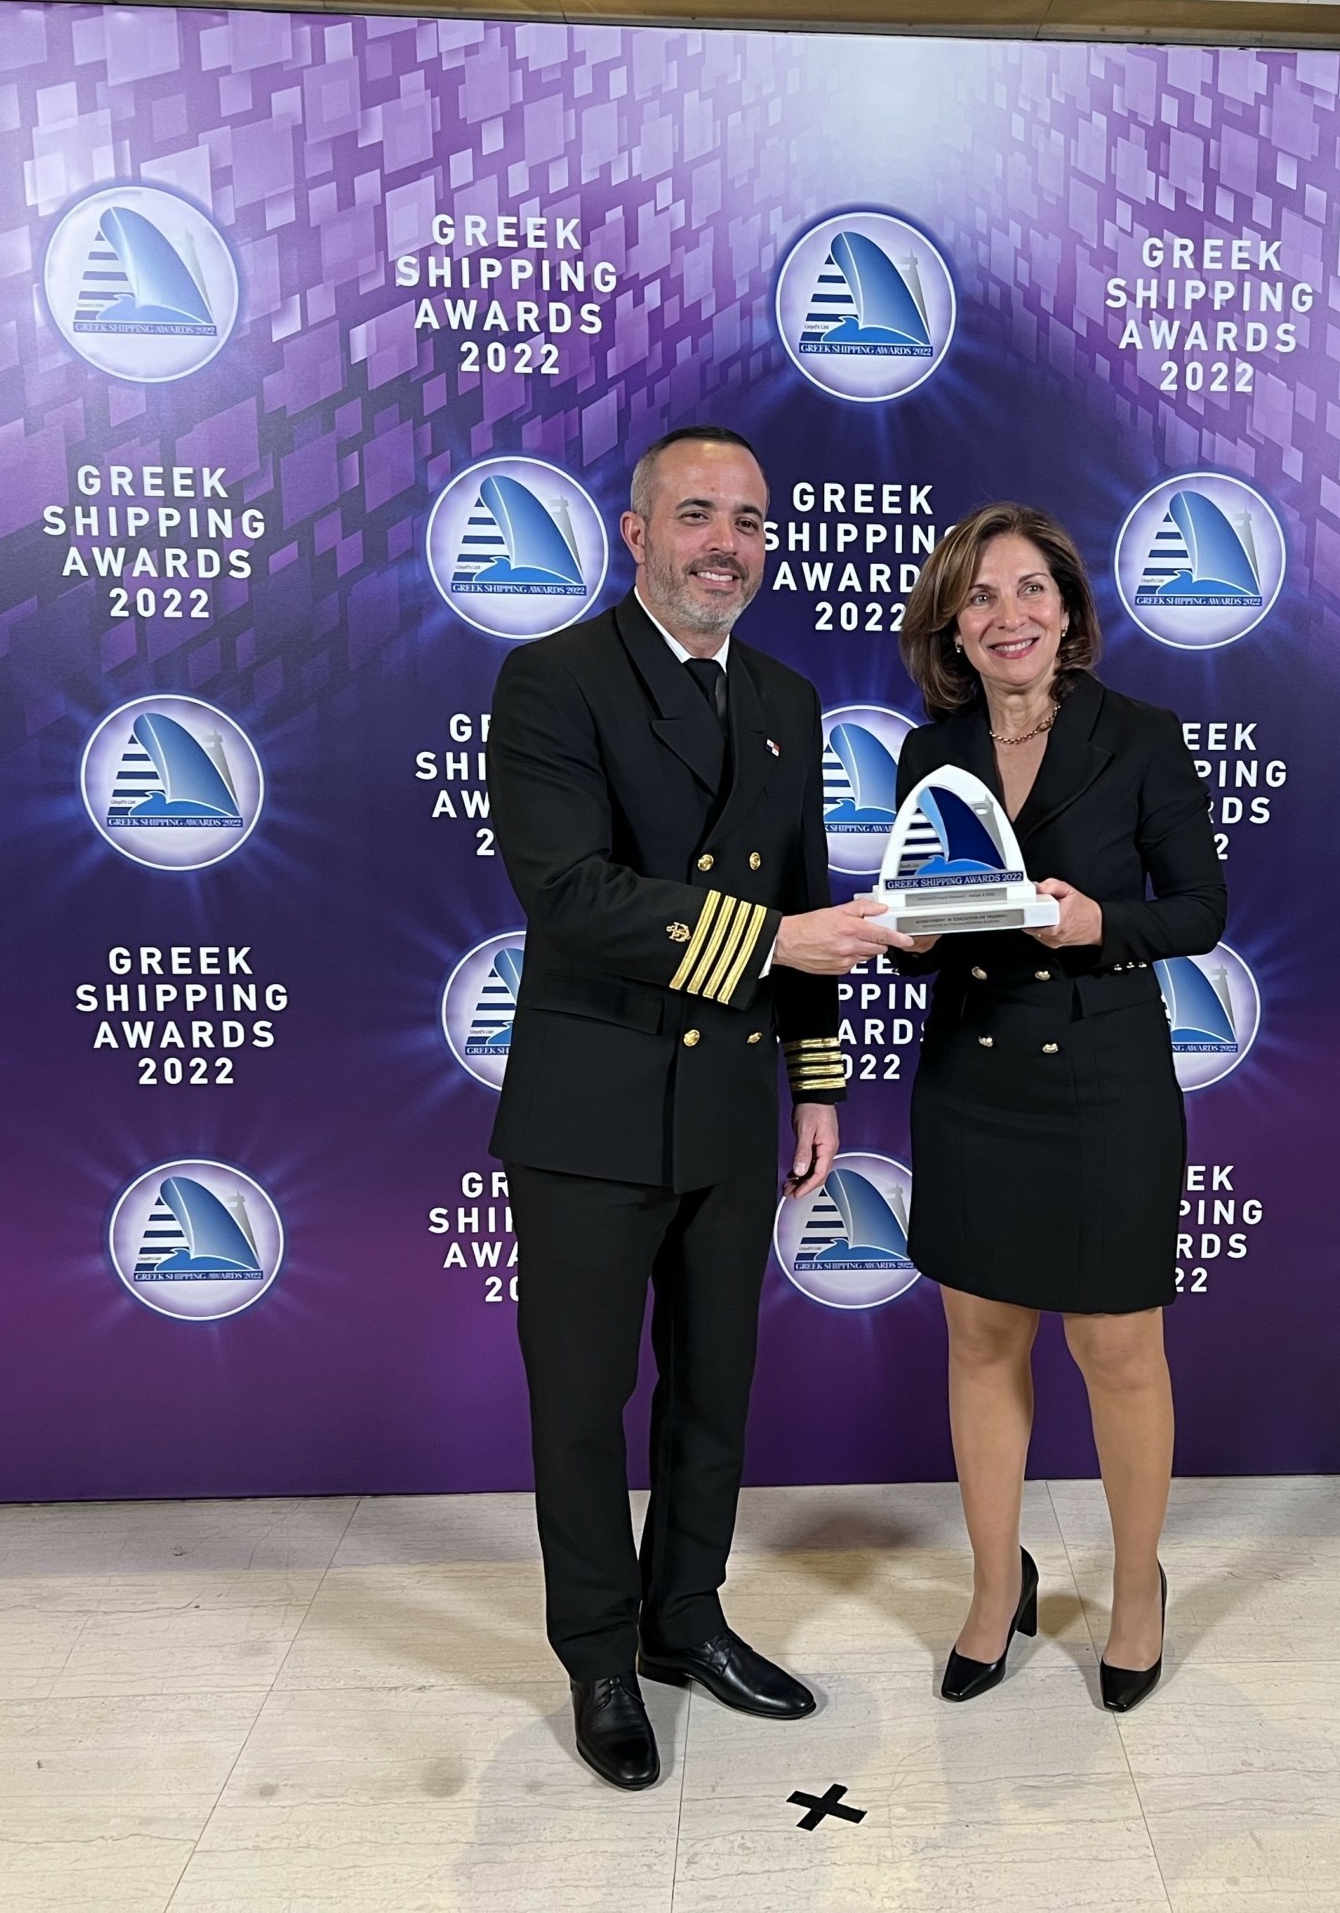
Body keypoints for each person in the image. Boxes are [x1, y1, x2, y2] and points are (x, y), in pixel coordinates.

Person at [485, 425, 912, 1790]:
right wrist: (773, 945)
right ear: (636, 534)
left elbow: (806, 897)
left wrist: (817, 1078)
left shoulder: (784, 695)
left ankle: (685, 1618)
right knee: (581, 1405)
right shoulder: (554, 680)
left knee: (713, 1391)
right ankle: (598, 1657)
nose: (726, 543)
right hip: (593, 1106)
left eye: (748, 520)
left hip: (728, 1099)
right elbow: (572, 893)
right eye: (696, 515)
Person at [889, 502, 1226, 1712]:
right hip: (972, 1077)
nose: (1007, 615)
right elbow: (930, 912)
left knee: (1115, 1349)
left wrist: (1098, 924)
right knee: (981, 1340)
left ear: (1069, 610)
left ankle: (1136, 1591)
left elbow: (1199, 909)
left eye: (1029, 588)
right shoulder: (930, 754)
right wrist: (912, 937)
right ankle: (997, 1586)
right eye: (978, 597)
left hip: (1103, 1077)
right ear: (953, 629)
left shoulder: (1139, 736)